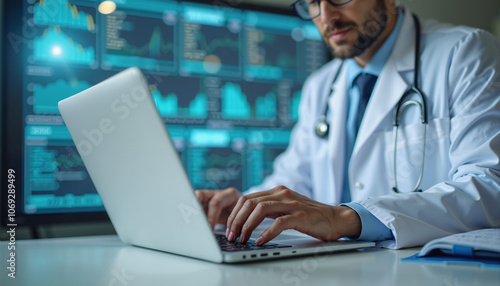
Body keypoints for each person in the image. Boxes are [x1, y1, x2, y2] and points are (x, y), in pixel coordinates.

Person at [196, 0, 500, 249]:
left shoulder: (465, 53)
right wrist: (244, 208)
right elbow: (294, 184)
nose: (326, 16)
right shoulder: (321, 85)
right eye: (311, 3)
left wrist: (346, 217)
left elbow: (488, 188)